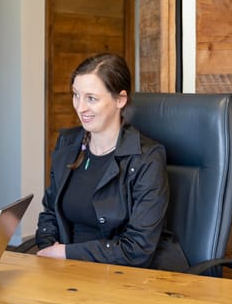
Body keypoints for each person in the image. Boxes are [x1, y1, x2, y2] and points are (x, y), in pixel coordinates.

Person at [35, 53, 169, 267]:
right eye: (76, 95)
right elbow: (51, 212)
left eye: (91, 98)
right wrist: (48, 250)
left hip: (119, 275)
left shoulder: (147, 159)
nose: (80, 107)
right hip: (64, 269)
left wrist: (66, 253)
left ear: (120, 100)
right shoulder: (67, 143)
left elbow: (137, 248)